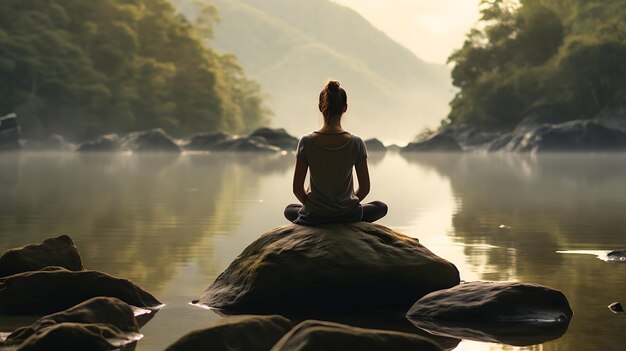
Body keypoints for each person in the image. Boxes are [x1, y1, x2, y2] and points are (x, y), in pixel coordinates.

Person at [284, 80, 388, 225]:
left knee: (289, 209)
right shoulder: (356, 142)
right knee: (380, 207)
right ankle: (342, 217)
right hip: (347, 215)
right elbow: (365, 188)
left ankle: (320, 215)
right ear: (345, 108)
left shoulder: (306, 141)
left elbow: (297, 189)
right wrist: (347, 206)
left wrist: (314, 207)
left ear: (321, 107)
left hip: (315, 216)